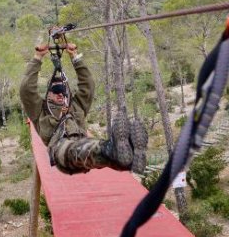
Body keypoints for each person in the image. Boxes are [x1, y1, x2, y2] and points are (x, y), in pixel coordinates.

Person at [20, 42, 148, 175]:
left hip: (83, 144)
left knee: (101, 152)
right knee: (83, 149)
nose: (60, 94)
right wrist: (38, 57)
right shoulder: (39, 110)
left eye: (63, 90)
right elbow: (26, 89)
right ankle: (113, 150)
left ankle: (127, 159)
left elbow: (88, 85)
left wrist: (75, 57)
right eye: (56, 90)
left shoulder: (76, 105)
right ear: (48, 93)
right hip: (61, 151)